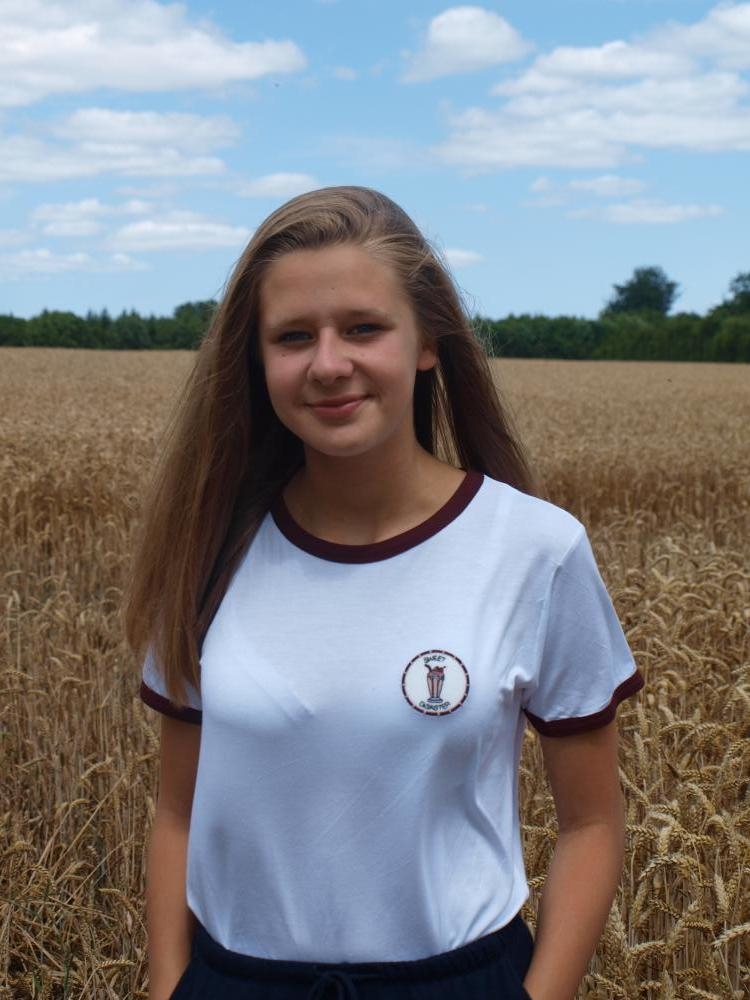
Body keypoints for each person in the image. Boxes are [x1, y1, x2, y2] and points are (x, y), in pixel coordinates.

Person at [123, 186, 644, 1000]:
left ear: (427, 340)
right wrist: (168, 987)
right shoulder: (209, 548)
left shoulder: (534, 550)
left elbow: (592, 823)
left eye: (363, 328)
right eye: (293, 336)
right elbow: (177, 814)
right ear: (255, 361)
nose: (329, 364)